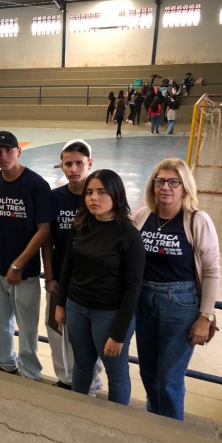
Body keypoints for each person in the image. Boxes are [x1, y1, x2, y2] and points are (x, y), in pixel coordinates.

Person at [133, 158, 220, 420]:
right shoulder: (144, 215)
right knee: (148, 371)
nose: (165, 187)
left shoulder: (197, 220)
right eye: (160, 181)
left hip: (180, 304)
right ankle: (155, 420)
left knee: (170, 377)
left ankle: (171, 432)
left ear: (184, 187)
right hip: (143, 301)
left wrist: (205, 316)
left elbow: (212, 270)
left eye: (174, 182)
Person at [56, 169, 145, 405]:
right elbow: (68, 266)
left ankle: (115, 423)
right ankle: (77, 410)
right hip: (77, 308)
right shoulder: (80, 225)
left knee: (116, 373)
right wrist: (61, 304)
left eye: (101, 192)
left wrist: (118, 335)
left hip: (109, 315)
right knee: (82, 364)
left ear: (116, 195)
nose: (93, 198)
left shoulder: (129, 236)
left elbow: (132, 289)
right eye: (89, 193)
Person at [0, 131, 52, 380]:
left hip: (25, 273)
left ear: (19, 151)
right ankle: (3, 363)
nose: (3, 156)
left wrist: (18, 264)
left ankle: (29, 371)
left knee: (27, 326)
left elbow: (44, 230)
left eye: (8, 150)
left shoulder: (37, 185)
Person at [42, 139, 103, 394]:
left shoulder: (101, 198)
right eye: (68, 164)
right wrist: (50, 277)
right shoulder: (54, 198)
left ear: (90, 163)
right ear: (62, 166)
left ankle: (91, 382)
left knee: (87, 335)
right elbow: (47, 241)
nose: (74, 168)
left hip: (90, 284)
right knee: (56, 328)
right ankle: (64, 379)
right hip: (59, 280)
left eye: (79, 163)